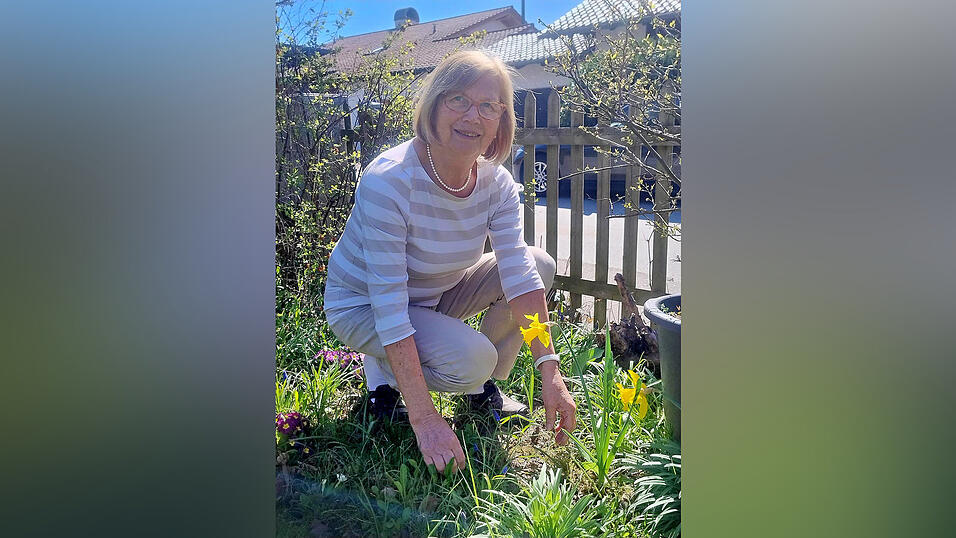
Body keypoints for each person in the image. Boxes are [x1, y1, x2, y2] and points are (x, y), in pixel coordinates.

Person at [323, 50, 576, 473]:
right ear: (434, 105)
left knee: (539, 264)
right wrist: (424, 419)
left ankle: (480, 389)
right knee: (473, 359)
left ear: (501, 120)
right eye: (459, 99)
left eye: (489, 105)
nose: (473, 116)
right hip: (364, 305)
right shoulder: (390, 180)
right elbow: (388, 303)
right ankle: (388, 375)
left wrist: (549, 369)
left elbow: (519, 274)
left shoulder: (496, 184)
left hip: (434, 293)